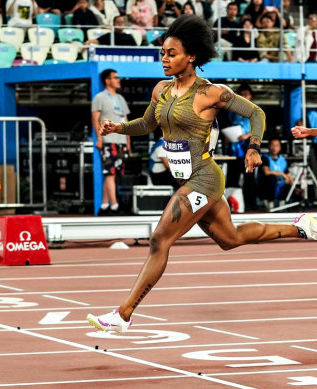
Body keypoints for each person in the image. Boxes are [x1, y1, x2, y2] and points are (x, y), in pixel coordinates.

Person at [86, 15, 317, 333]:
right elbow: (147, 124)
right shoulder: (161, 90)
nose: (164, 59)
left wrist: (253, 148)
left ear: (191, 56)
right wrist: (118, 127)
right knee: (230, 239)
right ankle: (303, 227)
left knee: (159, 239)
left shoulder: (210, 93)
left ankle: (123, 314)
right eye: (162, 53)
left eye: (172, 53)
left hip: (204, 178)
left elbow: (256, 112)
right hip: (184, 179)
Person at [91, 68, 131, 216]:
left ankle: (104, 205)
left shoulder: (120, 99)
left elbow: (125, 122)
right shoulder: (99, 97)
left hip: (120, 140)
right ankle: (115, 206)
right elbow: (95, 120)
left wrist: (128, 142)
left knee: (113, 174)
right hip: (109, 140)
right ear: (107, 80)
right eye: (115, 77)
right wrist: (100, 138)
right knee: (110, 174)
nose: (118, 80)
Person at [225, 84, 257, 211]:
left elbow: (262, 127)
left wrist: (247, 135)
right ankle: (232, 205)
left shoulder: (255, 110)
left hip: (248, 148)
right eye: (241, 94)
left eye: (246, 94)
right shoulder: (232, 112)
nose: (244, 96)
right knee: (233, 178)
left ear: (250, 96)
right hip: (234, 149)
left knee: (249, 179)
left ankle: (251, 206)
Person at [258, 138, 299, 206]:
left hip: (280, 185)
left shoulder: (282, 160)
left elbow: (288, 175)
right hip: (267, 187)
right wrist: (282, 174)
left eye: (277, 145)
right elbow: (266, 172)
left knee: (289, 182)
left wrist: (294, 188)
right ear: (268, 147)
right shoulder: (264, 158)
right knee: (272, 178)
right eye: (272, 145)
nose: (274, 148)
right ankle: (269, 202)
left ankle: (282, 203)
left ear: (280, 147)